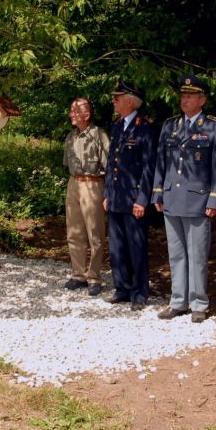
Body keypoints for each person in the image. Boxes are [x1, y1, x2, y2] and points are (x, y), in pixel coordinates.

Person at [152, 74, 216, 323]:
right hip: (172, 197)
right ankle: (178, 301)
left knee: (197, 254)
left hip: (198, 200)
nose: (184, 99)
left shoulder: (214, 126)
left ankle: (198, 303)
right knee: (176, 253)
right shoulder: (170, 125)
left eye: (190, 95)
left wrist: (215, 198)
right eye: (183, 95)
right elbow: (161, 162)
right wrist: (158, 191)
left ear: (202, 100)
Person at [103, 80, 156, 311]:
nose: (114, 102)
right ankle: (122, 288)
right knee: (117, 246)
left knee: (136, 246)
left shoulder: (144, 127)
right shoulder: (116, 125)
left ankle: (140, 291)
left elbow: (148, 167)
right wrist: (107, 193)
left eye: (117, 98)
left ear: (130, 101)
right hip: (116, 196)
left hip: (134, 199)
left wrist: (143, 199)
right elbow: (110, 163)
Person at [62, 97, 110, 297]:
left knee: (95, 233)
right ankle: (78, 274)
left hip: (93, 184)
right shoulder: (71, 137)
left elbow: (109, 166)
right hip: (74, 183)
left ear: (86, 114)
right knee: (74, 231)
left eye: (75, 111)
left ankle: (94, 277)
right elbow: (67, 163)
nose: (71, 114)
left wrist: (107, 193)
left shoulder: (99, 135)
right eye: (71, 111)